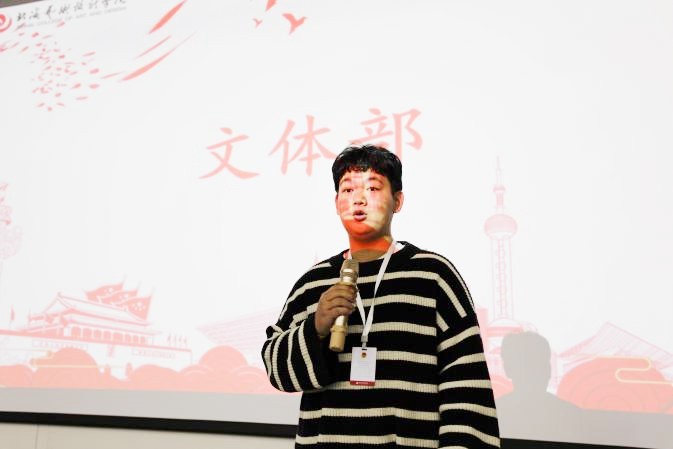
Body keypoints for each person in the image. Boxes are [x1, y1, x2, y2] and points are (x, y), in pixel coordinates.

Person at [262, 144, 500, 448]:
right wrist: (316, 327)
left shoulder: (434, 276)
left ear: (397, 201)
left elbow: (467, 386)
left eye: (373, 188)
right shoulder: (313, 282)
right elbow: (276, 370)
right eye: (348, 190)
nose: (359, 199)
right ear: (336, 203)